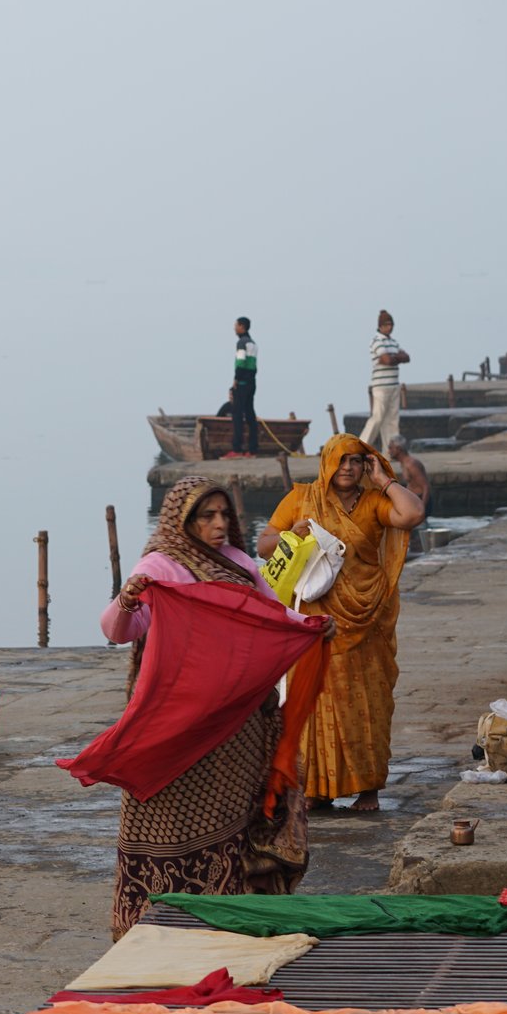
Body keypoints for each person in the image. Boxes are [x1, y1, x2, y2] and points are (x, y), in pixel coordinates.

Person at [103, 479, 333, 932]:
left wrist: (309, 626)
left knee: (234, 821)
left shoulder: (239, 563)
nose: (219, 524)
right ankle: (156, 920)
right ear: (182, 520)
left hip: (238, 723)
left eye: (224, 515)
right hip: (178, 723)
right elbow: (118, 631)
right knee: (165, 822)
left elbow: (272, 614)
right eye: (206, 516)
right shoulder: (161, 566)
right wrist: (128, 600)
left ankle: (226, 915)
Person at [259, 434, 426, 812]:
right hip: (315, 623)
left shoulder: (373, 503)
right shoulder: (303, 498)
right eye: (341, 461)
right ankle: (317, 788)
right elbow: (263, 544)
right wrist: (291, 533)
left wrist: (385, 481)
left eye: (355, 461)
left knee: (368, 703)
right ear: (327, 463)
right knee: (313, 704)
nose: (348, 468)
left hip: (366, 621)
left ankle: (367, 789)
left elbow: (412, 514)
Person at [361, 310, 409, 449]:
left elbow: (407, 357)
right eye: (387, 325)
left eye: (391, 324)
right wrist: (397, 358)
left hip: (394, 384)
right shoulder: (376, 341)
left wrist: (395, 358)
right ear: (380, 326)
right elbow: (387, 360)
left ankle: (391, 451)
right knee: (378, 417)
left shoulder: (393, 342)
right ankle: (361, 446)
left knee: (392, 420)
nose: (390, 327)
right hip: (381, 385)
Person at [227, 317, 259, 458]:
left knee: (237, 415)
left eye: (236, 325)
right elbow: (253, 366)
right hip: (252, 383)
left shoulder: (241, 343)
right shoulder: (253, 343)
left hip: (242, 384)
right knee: (250, 415)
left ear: (242, 326)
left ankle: (237, 449)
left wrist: (236, 380)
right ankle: (252, 450)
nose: (234, 328)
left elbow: (240, 364)